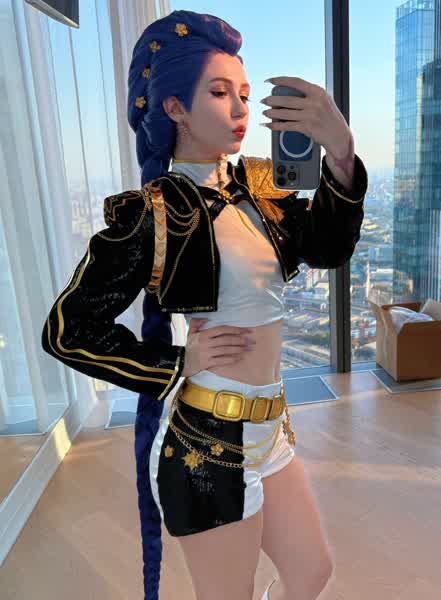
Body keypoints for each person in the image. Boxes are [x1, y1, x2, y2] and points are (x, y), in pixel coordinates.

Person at [41, 9, 368, 600]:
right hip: (206, 444)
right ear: (175, 107)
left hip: (273, 429)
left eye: (243, 93)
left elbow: (327, 248)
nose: (240, 109)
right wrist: (175, 364)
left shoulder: (263, 190)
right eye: (219, 93)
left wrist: (341, 154)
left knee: (311, 573)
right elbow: (67, 329)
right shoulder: (153, 214)